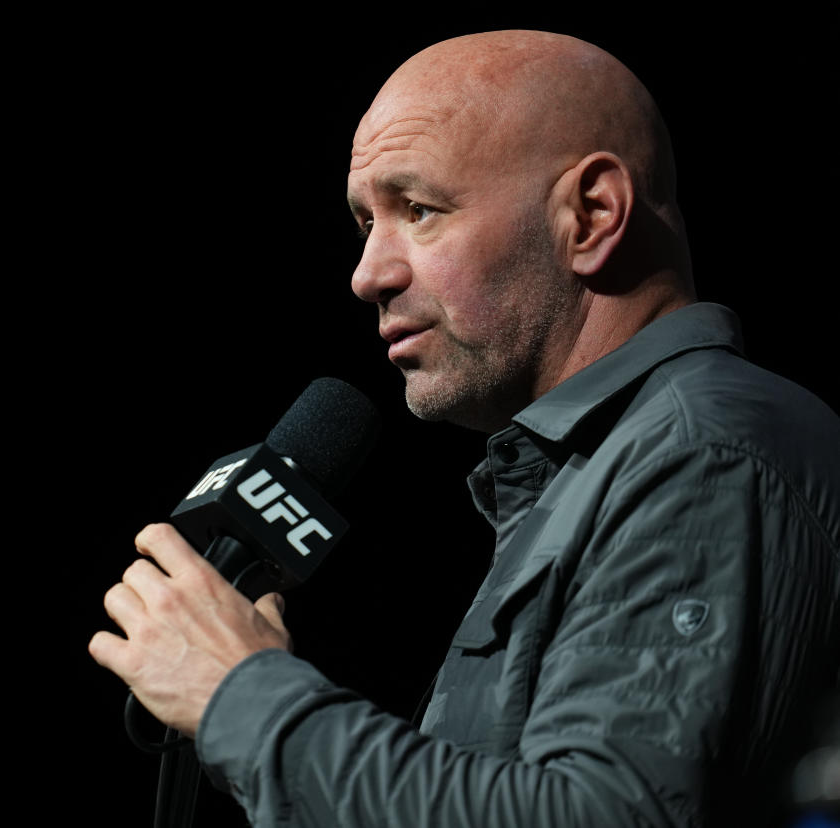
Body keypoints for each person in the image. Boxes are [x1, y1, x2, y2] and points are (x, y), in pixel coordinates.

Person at [89, 30, 840, 826]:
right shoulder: (598, 467)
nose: (367, 273)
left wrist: (247, 701)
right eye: (364, 223)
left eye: (418, 209)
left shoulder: (705, 453)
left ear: (591, 215)